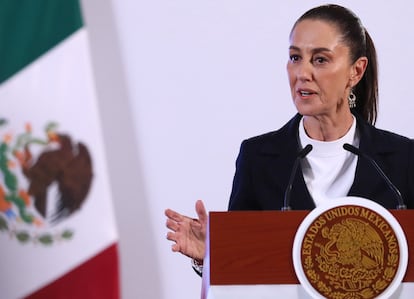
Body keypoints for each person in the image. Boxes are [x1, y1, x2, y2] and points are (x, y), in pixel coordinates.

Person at [164, 4, 414, 276]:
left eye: (320, 59)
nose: (302, 73)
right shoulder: (258, 158)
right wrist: (212, 256)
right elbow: (244, 274)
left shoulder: (402, 159)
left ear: (356, 71)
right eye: (295, 58)